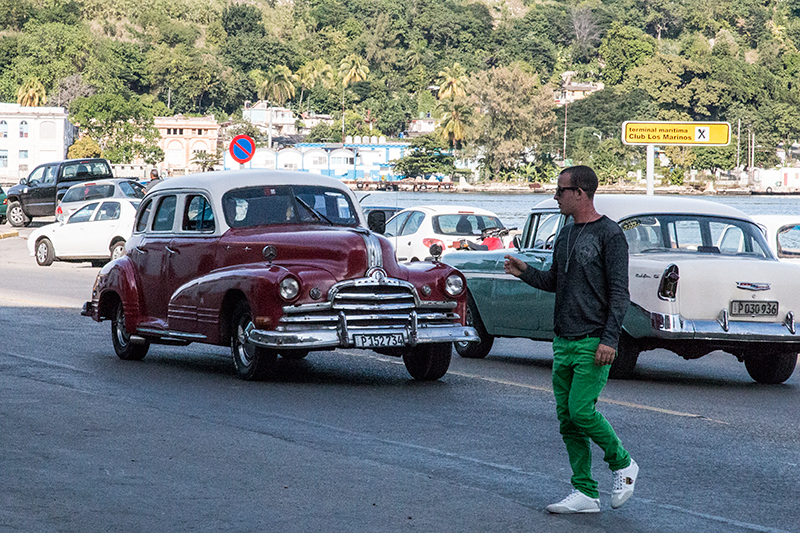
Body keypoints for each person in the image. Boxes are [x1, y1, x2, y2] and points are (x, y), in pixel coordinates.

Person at [504, 165, 638, 514]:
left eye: (561, 190)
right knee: (567, 418)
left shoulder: (610, 235)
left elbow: (620, 293)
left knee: (581, 411)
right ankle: (585, 493)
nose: (555, 196)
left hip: (593, 341)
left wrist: (610, 340)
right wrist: (525, 273)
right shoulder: (564, 234)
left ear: (580, 193)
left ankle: (623, 464)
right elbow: (554, 282)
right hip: (563, 340)